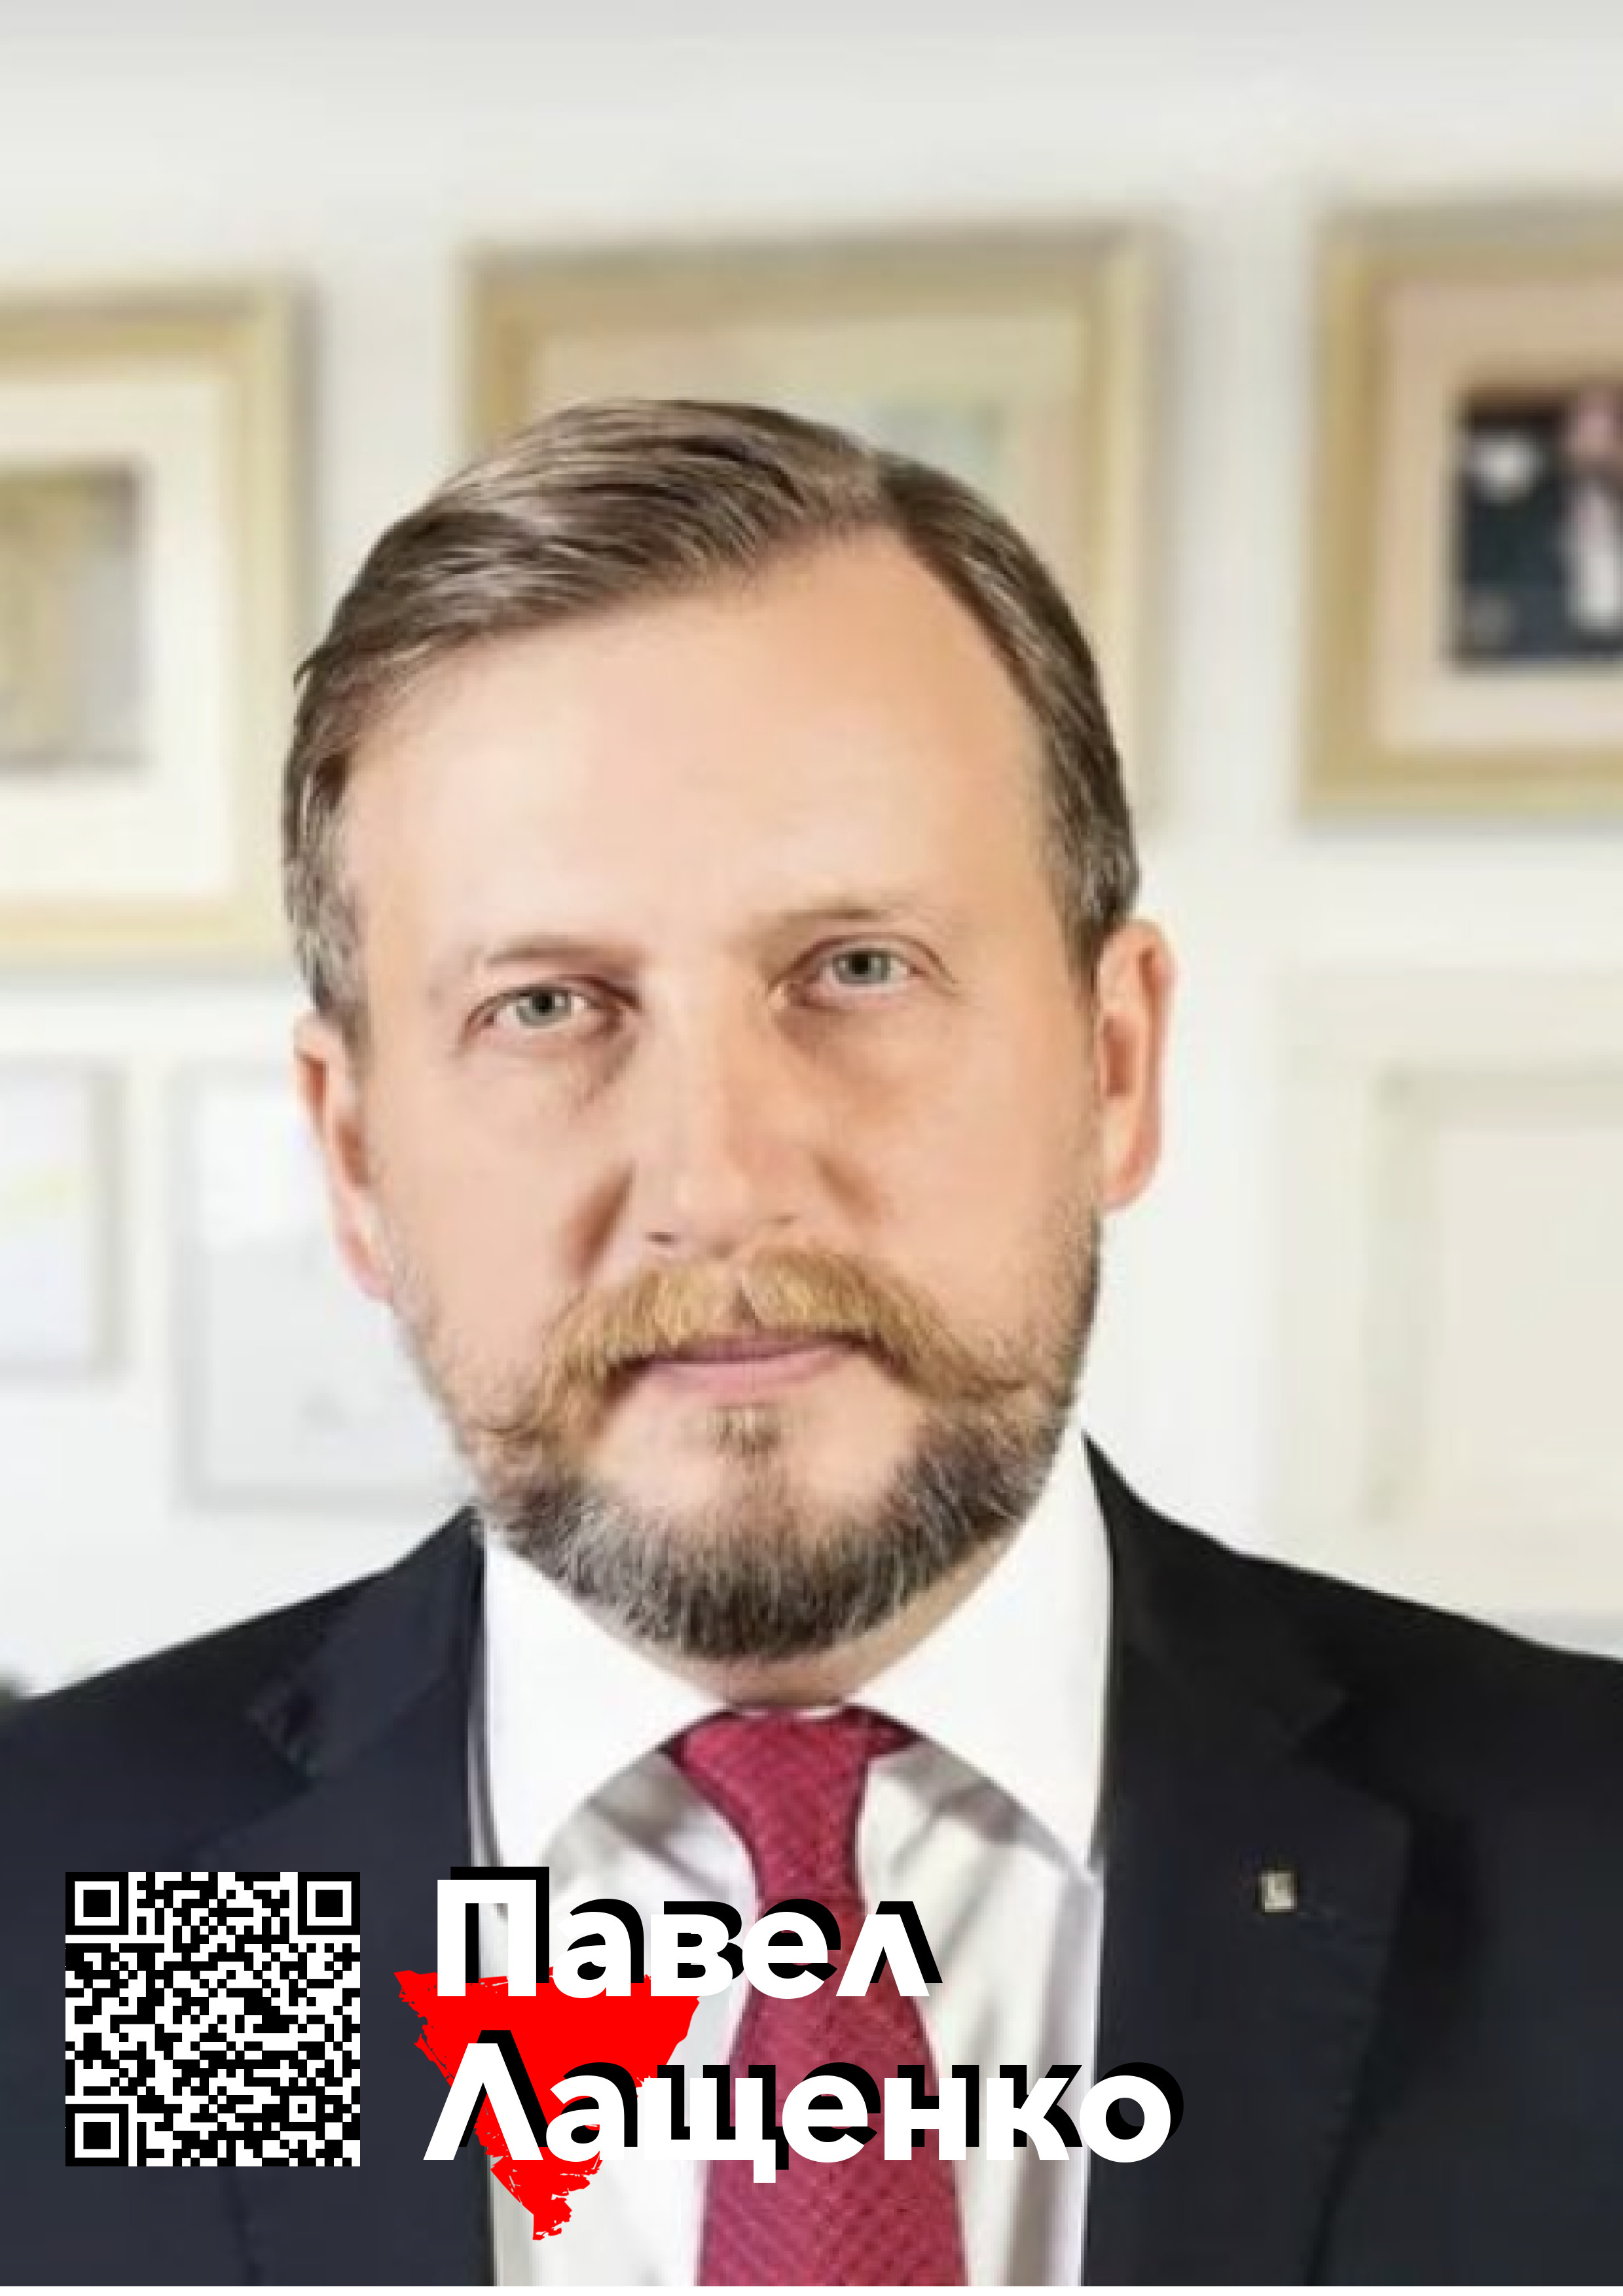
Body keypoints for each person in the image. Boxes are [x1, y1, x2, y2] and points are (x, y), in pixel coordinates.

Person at [5, 398, 1623, 2289]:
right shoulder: (91, 1901)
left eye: (859, 969)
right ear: (355, 1155)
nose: (721, 1183)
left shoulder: (1589, 1872)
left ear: (1115, 1066)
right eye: (550, 1005)